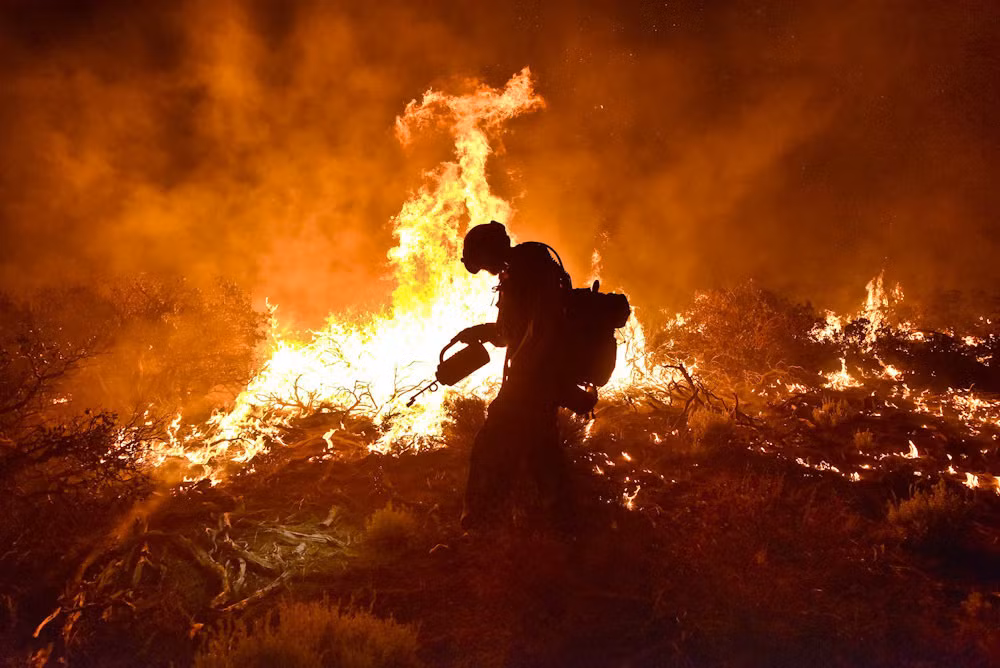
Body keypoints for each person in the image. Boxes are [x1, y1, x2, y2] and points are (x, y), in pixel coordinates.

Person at [454, 220, 581, 531]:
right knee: (542, 446)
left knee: (491, 440)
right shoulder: (521, 269)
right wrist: (481, 332)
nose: (485, 270)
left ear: (491, 250)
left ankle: (481, 515)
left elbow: (542, 326)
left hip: (535, 376)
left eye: (483, 262)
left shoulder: (527, 269)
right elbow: (510, 332)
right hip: (538, 374)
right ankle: (563, 518)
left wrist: (526, 375)